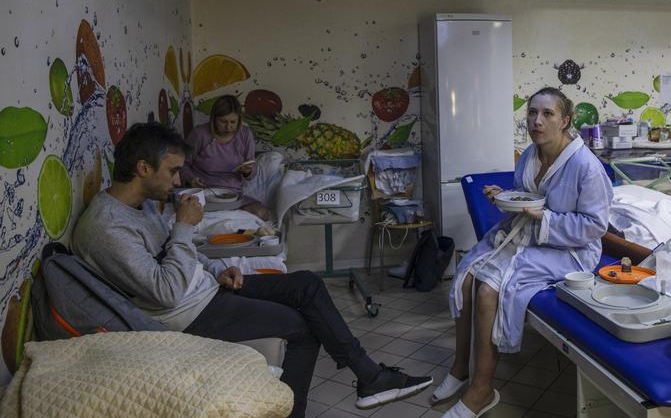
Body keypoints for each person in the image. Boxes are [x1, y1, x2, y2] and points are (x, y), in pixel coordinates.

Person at [71, 123, 432, 417]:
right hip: (184, 312)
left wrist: (216, 270)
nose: (178, 181)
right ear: (143, 169)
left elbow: (177, 255)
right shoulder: (106, 228)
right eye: (173, 171)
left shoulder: (143, 206)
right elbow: (164, 291)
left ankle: (370, 377)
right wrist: (183, 227)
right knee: (302, 327)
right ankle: (305, 408)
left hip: (203, 290)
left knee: (306, 284)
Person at [434, 87, 612, 418]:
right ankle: (460, 369)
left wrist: (542, 217)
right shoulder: (531, 154)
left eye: (547, 114)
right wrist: (505, 196)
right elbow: (525, 196)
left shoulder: (586, 166)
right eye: (532, 113)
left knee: (489, 290)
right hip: (527, 235)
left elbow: (595, 226)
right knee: (465, 279)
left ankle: (482, 390)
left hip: (569, 249)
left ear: (565, 121)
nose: (537, 121)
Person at [181, 94, 270, 220]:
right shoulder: (200, 134)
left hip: (233, 196)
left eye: (233, 122)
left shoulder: (245, 134)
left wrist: (248, 170)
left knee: (261, 213)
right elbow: (182, 163)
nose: (229, 127)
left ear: (239, 119)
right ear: (214, 119)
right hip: (205, 194)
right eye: (223, 122)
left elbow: (252, 170)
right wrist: (191, 179)